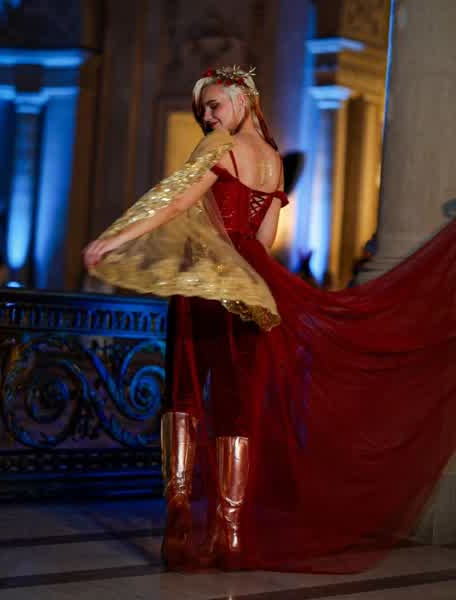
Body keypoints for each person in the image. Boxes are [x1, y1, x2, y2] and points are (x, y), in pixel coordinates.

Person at [84, 65, 456, 573]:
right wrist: (252, 284)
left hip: (205, 286)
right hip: (252, 289)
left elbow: (174, 200)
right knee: (236, 403)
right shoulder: (274, 163)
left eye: (214, 105)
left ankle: (179, 513)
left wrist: (114, 239)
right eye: (203, 110)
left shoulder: (219, 146)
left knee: (184, 393)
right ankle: (231, 533)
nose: (207, 117)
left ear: (242, 99)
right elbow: (262, 241)